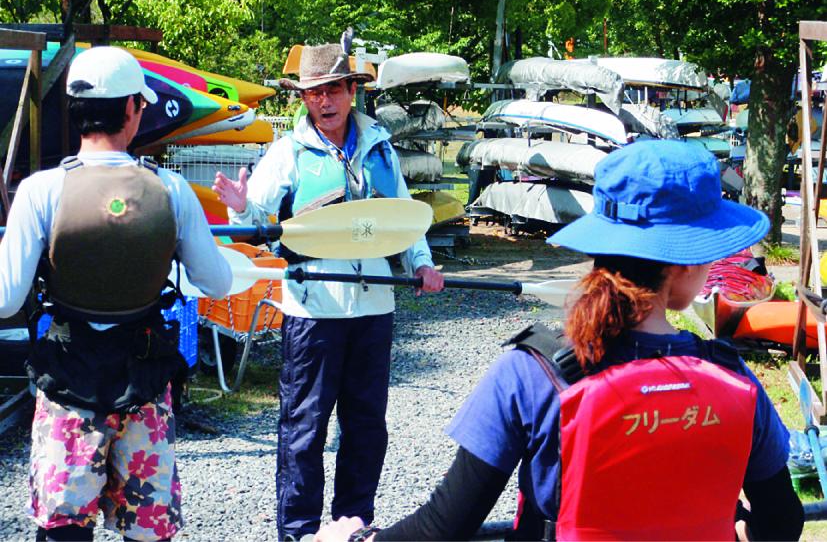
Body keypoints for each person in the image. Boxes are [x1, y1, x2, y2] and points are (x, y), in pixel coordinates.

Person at [315, 139, 804, 542]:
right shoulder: (732, 378)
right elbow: (783, 521)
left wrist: (358, 540)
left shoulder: (532, 372)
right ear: (681, 263)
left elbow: (446, 525)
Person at [212, 41, 445, 540]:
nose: (325, 101)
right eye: (315, 93)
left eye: (334, 89)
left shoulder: (380, 146)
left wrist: (423, 264)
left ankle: (352, 524)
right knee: (304, 431)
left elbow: (404, 217)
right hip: (313, 309)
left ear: (351, 91)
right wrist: (237, 206)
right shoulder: (288, 152)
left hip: (374, 305)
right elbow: (257, 221)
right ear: (303, 99)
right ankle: (297, 532)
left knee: (365, 426)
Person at [0, 46, 233, 541]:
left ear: (75, 110)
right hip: (143, 380)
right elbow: (216, 282)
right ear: (132, 108)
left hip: (67, 380)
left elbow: (6, 298)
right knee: (146, 532)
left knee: (64, 529)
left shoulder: (40, 191)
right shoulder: (170, 190)